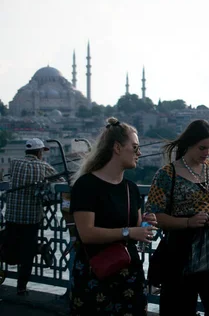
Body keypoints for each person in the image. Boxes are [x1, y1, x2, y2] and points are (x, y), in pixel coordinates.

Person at [69, 117, 157, 316]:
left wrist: (144, 225)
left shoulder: (131, 189)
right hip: (95, 274)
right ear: (117, 148)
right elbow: (87, 234)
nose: (139, 153)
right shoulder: (86, 185)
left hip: (129, 275)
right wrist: (129, 231)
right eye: (134, 147)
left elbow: (134, 230)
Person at [146, 119, 209, 316]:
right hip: (180, 247)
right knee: (178, 306)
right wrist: (187, 222)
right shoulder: (167, 174)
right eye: (203, 148)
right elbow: (154, 215)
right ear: (189, 144)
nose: (207, 153)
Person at [4, 138, 59, 295]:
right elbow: (59, 180)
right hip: (31, 218)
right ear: (40, 152)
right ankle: (21, 287)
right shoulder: (43, 166)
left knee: (10, 248)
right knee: (28, 253)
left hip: (12, 215)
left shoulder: (14, 163)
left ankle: (34, 249)